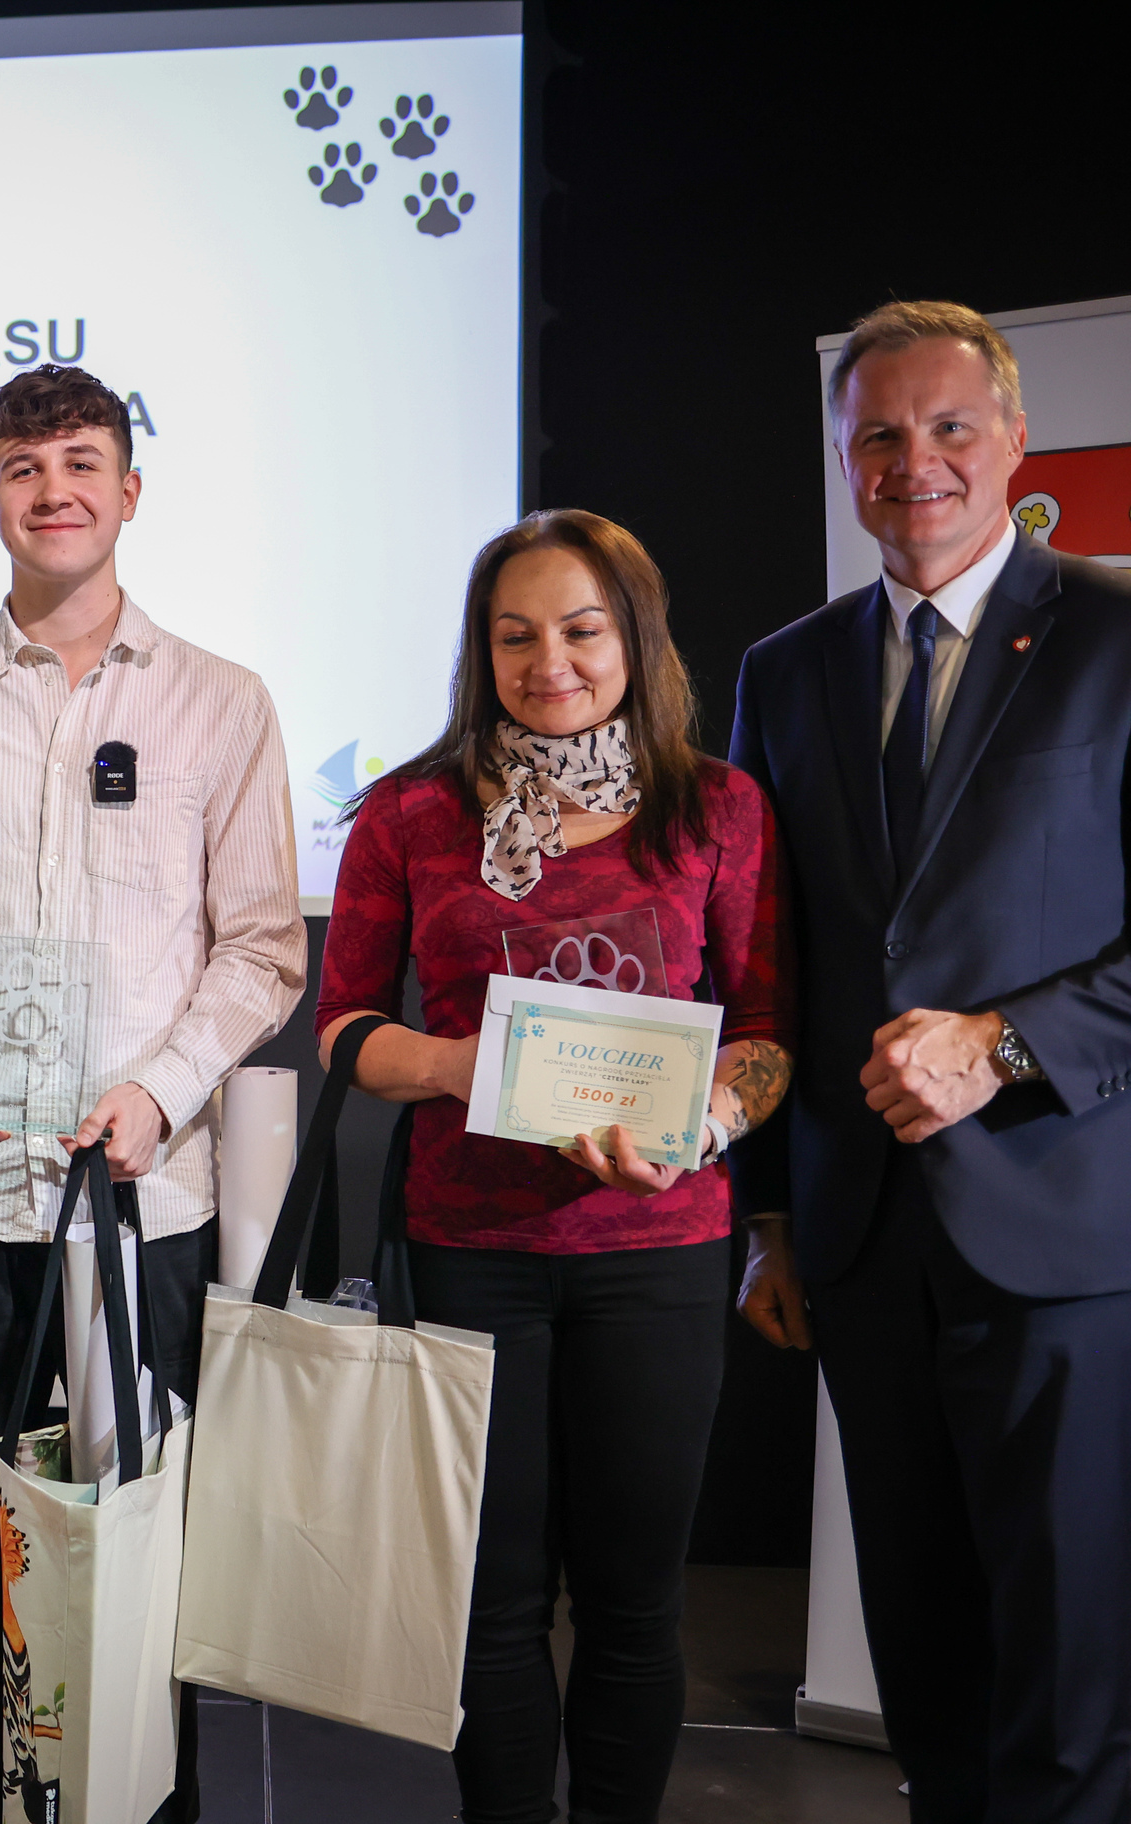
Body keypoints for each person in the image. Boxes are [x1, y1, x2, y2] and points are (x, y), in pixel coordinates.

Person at [0, 364, 308, 1824]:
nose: (55, 491)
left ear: (129, 490)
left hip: (139, 1208)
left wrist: (160, 1093)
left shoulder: (222, 704)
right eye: (25, 470)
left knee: (141, 1558)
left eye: (82, 463)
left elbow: (262, 946)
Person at [314, 509, 791, 1823]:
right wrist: (457, 1064)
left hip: (660, 1256)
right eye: (514, 636)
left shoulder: (720, 807)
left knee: (636, 1607)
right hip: (471, 1257)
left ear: (635, 637)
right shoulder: (410, 813)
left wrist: (705, 1128)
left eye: (581, 631)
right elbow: (344, 1025)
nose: (550, 663)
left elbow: (763, 1030)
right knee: (490, 1606)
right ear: (481, 651)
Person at [730, 301, 1131, 1824]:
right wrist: (770, 1215)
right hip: (860, 1242)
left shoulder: (1115, 638)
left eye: (950, 427)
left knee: (1076, 1671)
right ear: (847, 460)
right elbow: (771, 964)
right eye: (880, 436)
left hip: (1063, 1231)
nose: (916, 463)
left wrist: (1002, 1044)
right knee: (927, 1665)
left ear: (1015, 440)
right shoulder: (786, 670)